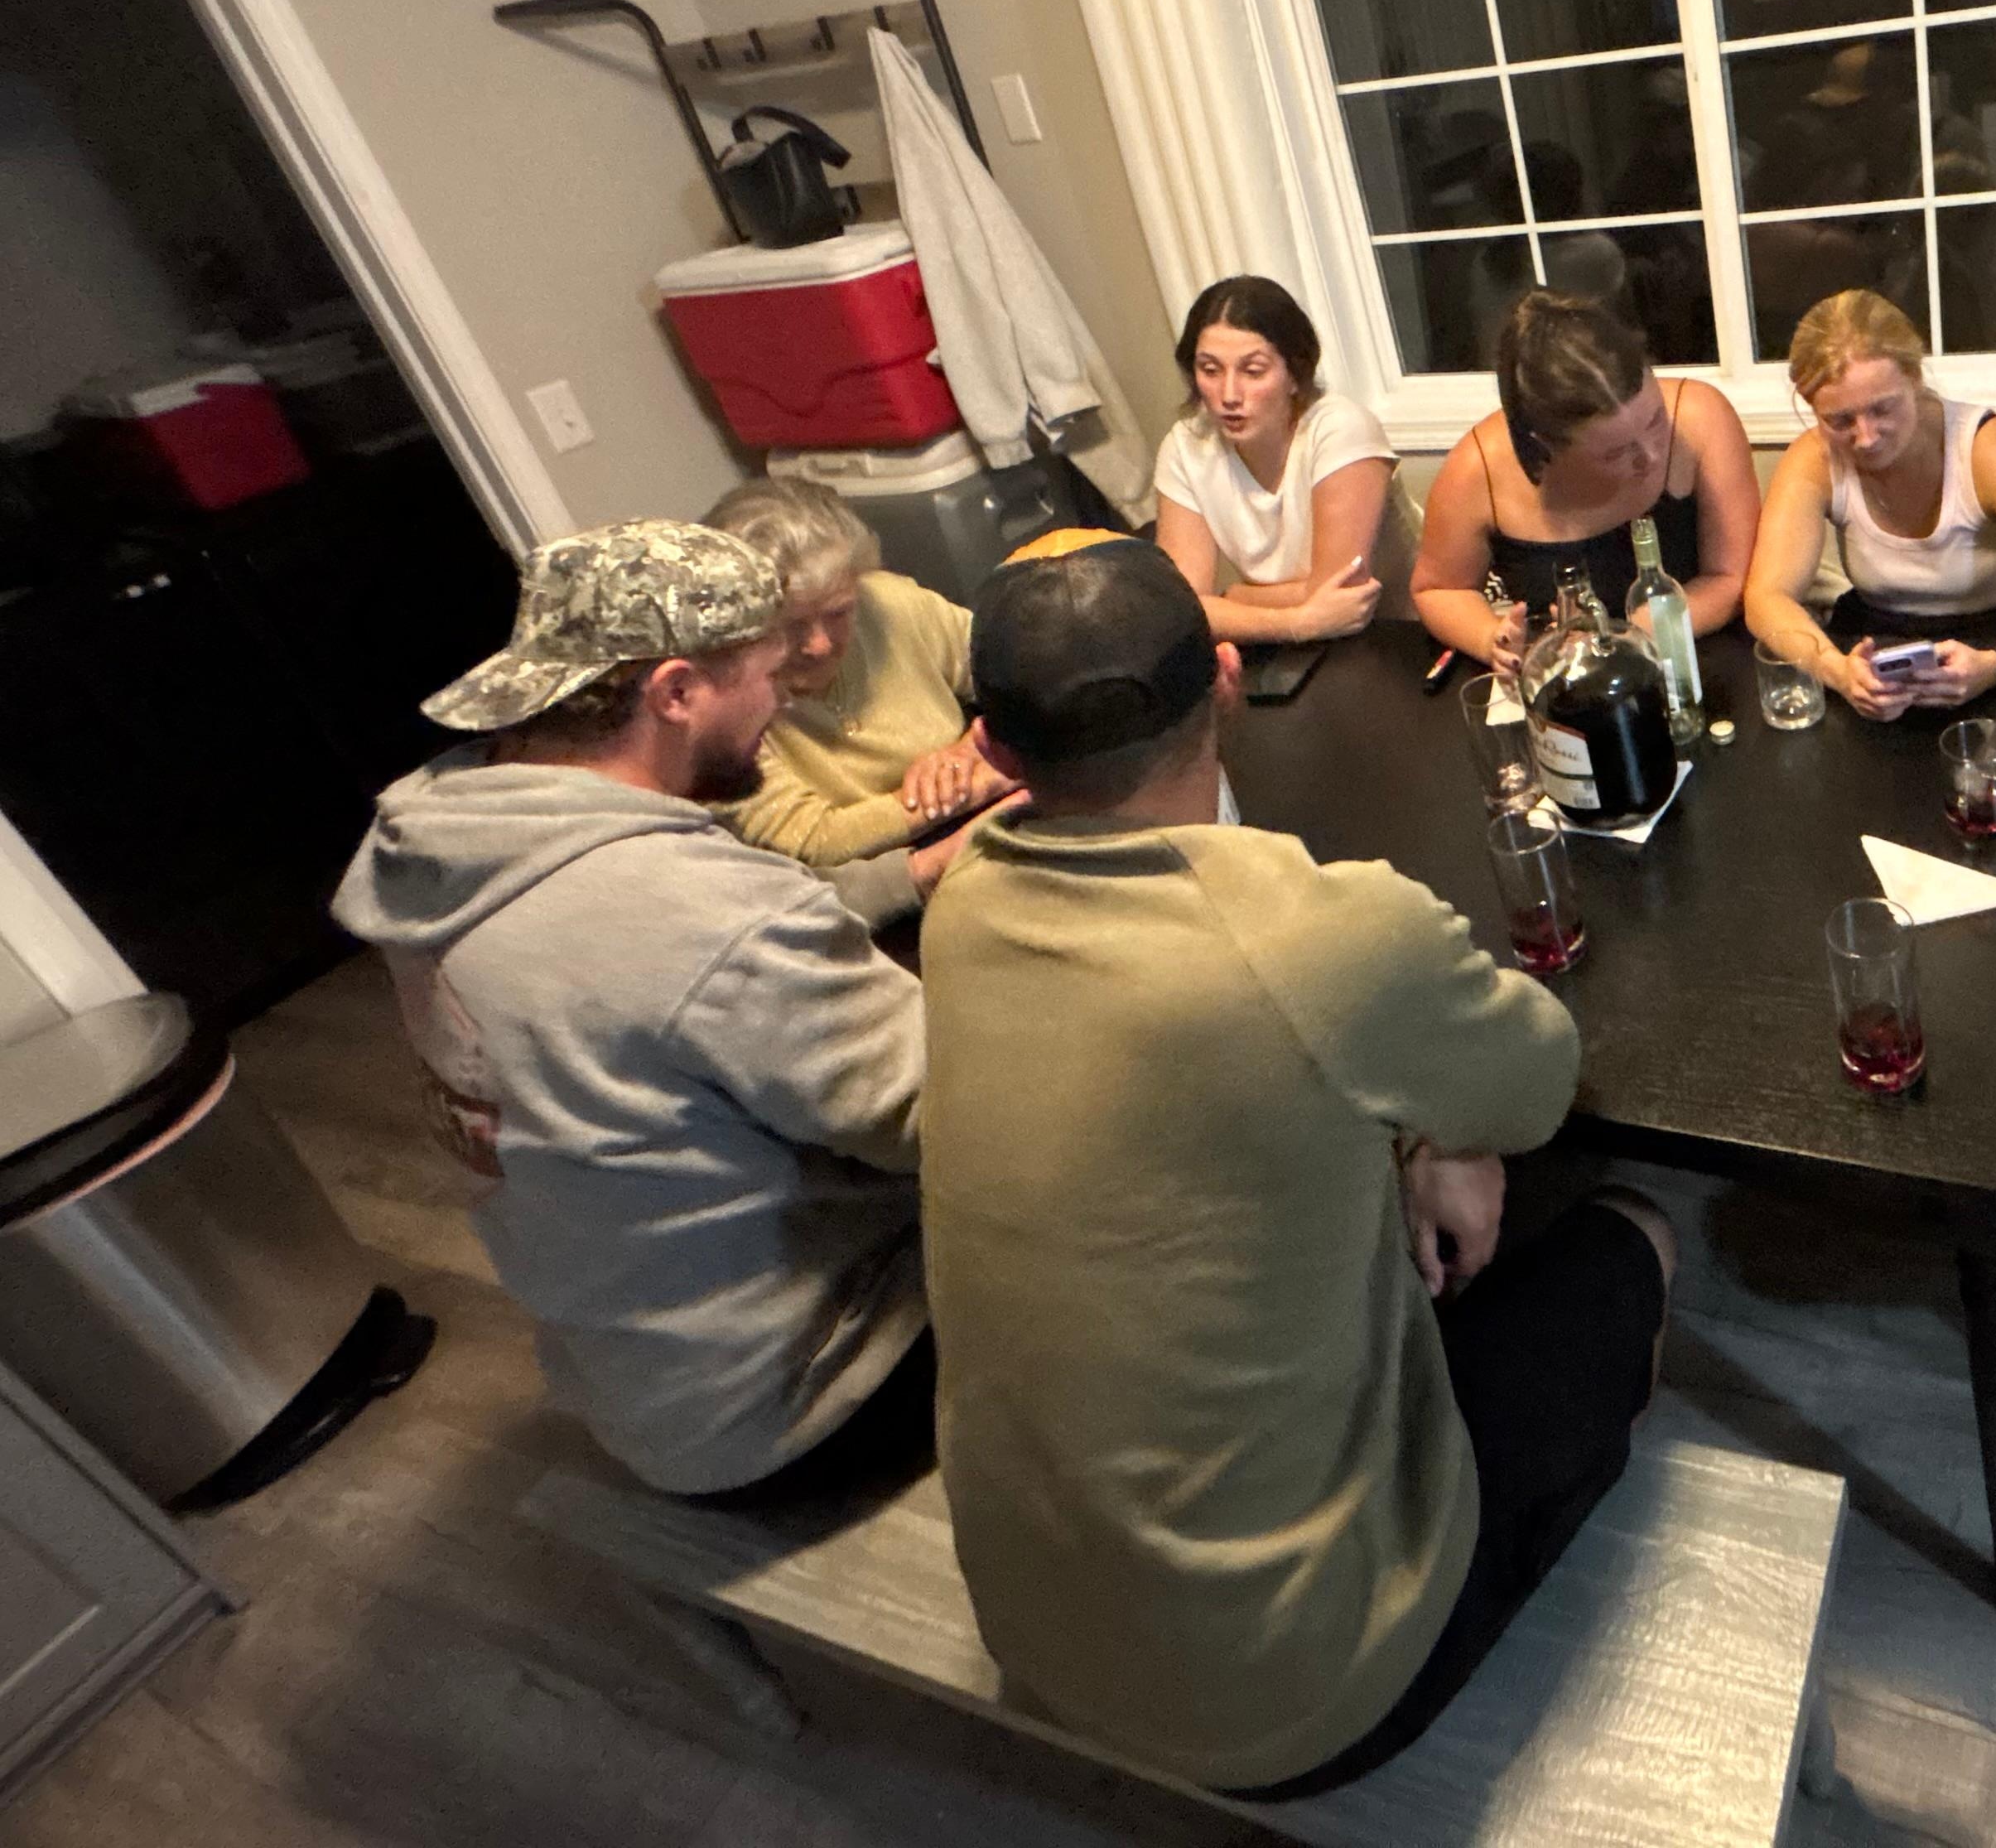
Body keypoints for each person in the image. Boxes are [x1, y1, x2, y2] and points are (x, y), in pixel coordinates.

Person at [920, 535, 1676, 1795]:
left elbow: (1224, 1098)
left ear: (992, 752)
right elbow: (1539, 1081)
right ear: (1225, 676)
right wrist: (1437, 1131)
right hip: (1302, 1692)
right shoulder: (1328, 936)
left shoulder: (962, 910)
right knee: (1634, 1232)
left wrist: (1408, 1136)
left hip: (1036, 1625)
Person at [331, 521, 983, 1497]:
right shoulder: (706, 918)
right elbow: (963, 1125)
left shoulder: (445, 839)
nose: (787, 697)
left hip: (639, 1385)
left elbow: (662, 971)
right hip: (806, 1400)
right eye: (769, 674)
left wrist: (903, 879)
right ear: (676, 692)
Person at [1743, 288, 1996, 717]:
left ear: (1915, 379)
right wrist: (1834, 669)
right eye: (1840, 420)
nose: (1866, 437)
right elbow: (1766, 597)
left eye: (1883, 409)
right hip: (1884, 645)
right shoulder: (1813, 458)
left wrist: (1995, 664)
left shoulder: (1984, 449)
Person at [1412, 290, 1759, 668]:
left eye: (1656, 420)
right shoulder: (1478, 468)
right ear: (1546, 444)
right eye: (1617, 451)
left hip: (1702, 657)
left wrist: (1636, 631)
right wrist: (1490, 638)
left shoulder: (1702, 416)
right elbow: (1440, 588)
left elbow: (1731, 577)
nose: (1652, 455)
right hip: (1566, 676)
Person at [703, 476, 1010, 893]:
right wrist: (977, 783)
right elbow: (811, 840)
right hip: (866, 891)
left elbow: (1024, 674)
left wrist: (969, 750)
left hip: (989, 819)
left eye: (838, 612)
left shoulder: (893, 605)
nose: (819, 645)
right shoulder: (721, 699)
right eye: (789, 626)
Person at [1150, 274, 1406, 646]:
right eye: (1210, 370)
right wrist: (1298, 623)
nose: (1229, 394)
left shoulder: (1339, 428)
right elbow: (1181, 608)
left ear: (1294, 375)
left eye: (1253, 371)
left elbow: (1344, 594)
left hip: (1396, 635)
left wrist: (1236, 598)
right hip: (1282, 645)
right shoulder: (1185, 447)